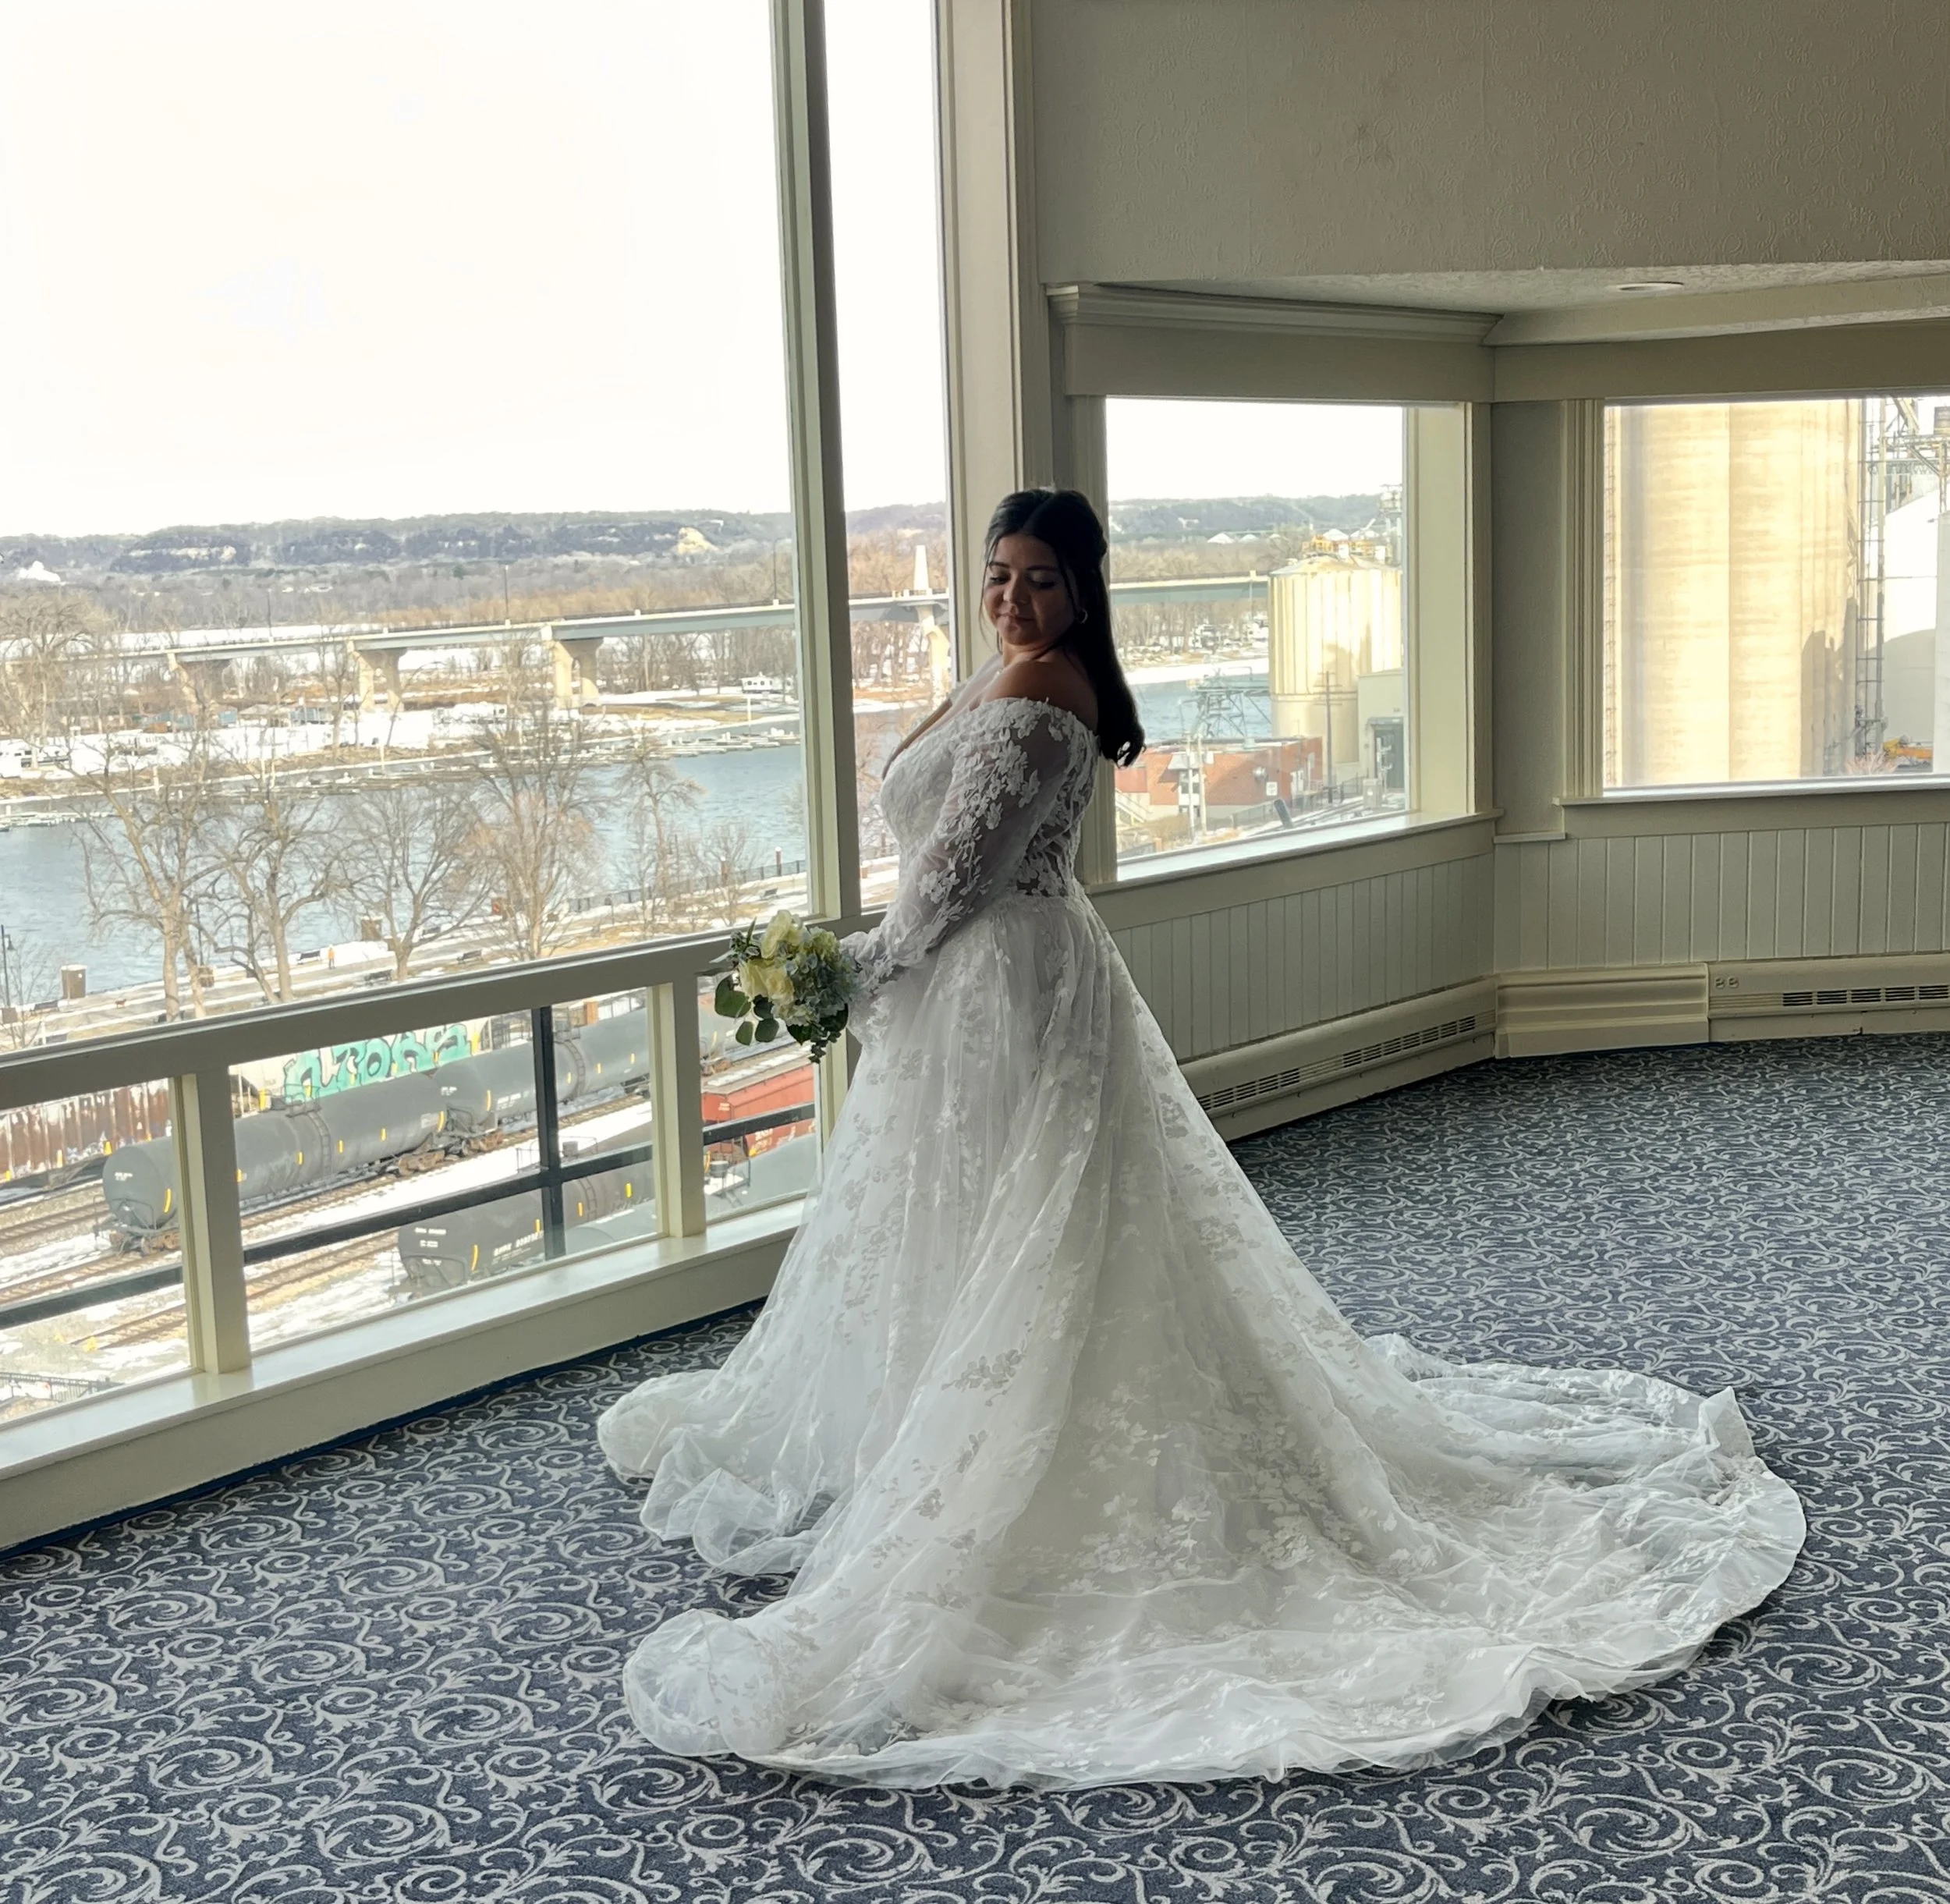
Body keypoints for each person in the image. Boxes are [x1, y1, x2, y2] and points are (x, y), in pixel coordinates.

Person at [598, 488, 1803, 1790]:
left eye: (1041, 578)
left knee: (1031, 1225)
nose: (1015, 598)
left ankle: (996, 1452)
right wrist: (875, 969)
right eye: (1000, 573)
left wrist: (849, 971)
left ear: (1082, 590)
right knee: (976, 1214)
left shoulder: (1044, 695)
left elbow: (956, 876)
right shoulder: (993, 672)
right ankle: (925, 1420)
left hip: (1002, 984)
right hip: (965, 993)